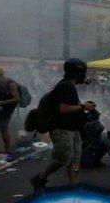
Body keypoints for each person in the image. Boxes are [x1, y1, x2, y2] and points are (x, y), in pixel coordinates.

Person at [30, 59, 95, 190]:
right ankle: (41, 178)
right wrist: (83, 106)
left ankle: (73, 186)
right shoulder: (65, 86)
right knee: (63, 158)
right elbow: (64, 109)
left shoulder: (70, 86)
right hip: (62, 129)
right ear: (78, 72)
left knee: (76, 158)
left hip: (73, 128)